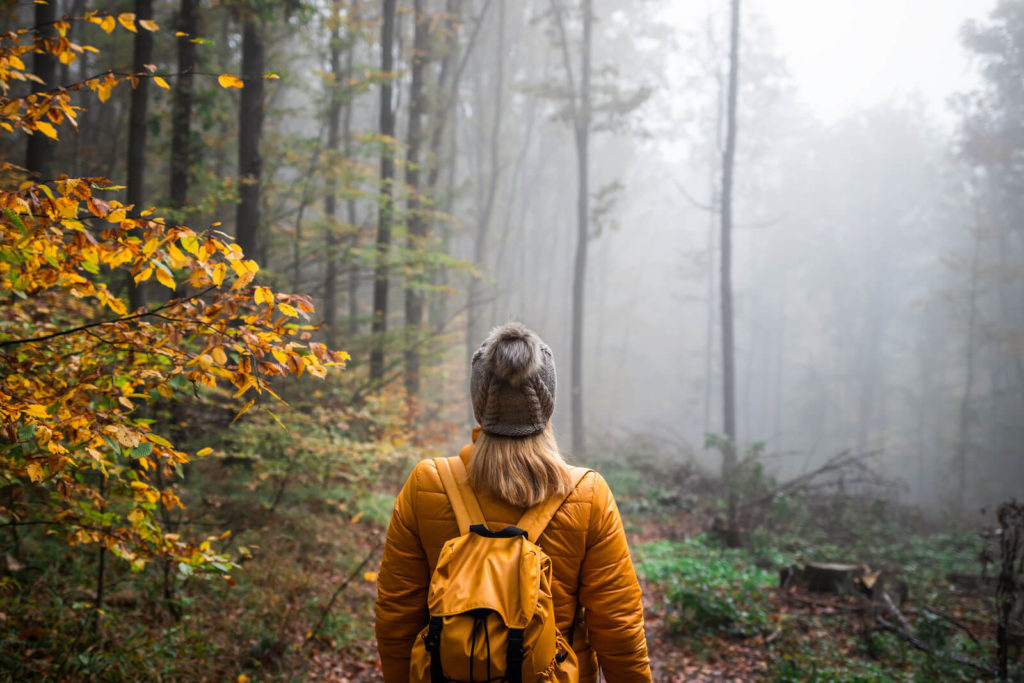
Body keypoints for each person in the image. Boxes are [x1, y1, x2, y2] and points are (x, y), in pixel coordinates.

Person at [375, 322, 651, 682]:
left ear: (480, 403)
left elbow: (396, 618)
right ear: (546, 405)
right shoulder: (588, 494)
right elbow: (619, 628)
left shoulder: (427, 484)